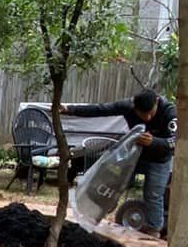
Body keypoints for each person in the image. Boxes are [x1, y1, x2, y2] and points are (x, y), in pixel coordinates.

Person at [62, 87, 176, 235]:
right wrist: (69, 109)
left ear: (157, 102)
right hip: (133, 157)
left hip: (160, 159)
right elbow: (101, 109)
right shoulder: (127, 105)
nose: (147, 118)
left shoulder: (169, 112)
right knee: (110, 183)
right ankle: (92, 213)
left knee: (153, 194)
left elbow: (177, 141)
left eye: (150, 113)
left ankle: (153, 231)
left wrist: (154, 142)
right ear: (134, 106)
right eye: (141, 114)